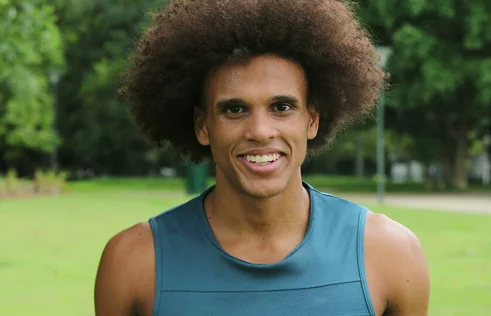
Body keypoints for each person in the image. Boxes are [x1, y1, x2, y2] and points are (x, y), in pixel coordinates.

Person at [94, 0, 430, 315]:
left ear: (312, 120)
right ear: (203, 126)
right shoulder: (134, 263)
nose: (259, 130)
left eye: (281, 107)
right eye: (235, 109)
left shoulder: (390, 254)